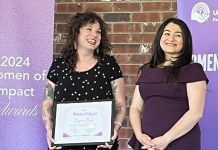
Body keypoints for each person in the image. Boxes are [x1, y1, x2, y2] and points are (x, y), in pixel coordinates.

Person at [42, 11, 126, 150]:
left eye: (98, 32)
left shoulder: (109, 64)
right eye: (89, 29)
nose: (94, 35)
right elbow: (47, 103)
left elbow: (120, 104)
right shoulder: (59, 65)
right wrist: (50, 129)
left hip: (101, 144)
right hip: (64, 144)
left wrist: (114, 130)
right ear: (76, 32)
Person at [128, 18, 208, 150]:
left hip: (180, 142)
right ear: (160, 37)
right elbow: (135, 108)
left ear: (186, 41)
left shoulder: (193, 70)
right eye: (167, 33)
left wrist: (165, 140)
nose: (171, 38)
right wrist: (139, 135)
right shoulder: (146, 71)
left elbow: (195, 112)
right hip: (146, 143)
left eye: (178, 35)